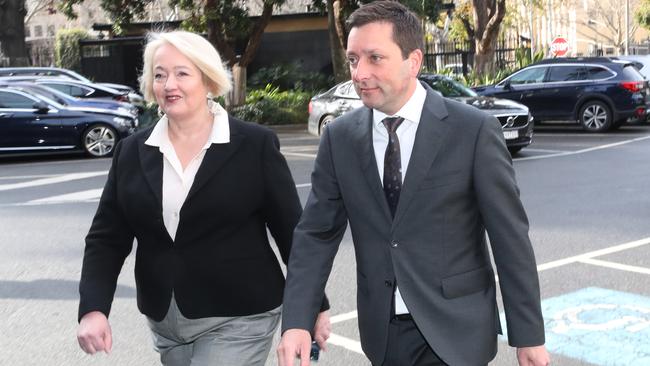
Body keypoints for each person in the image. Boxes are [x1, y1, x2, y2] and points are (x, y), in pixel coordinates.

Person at [277, 2, 550, 366]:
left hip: (457, 330)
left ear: (414, 61)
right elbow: (316, 234)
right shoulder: (339, 138)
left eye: (375, 58)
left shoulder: (472, 130)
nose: (360, 73)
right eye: (354, 59)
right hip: (384, 333)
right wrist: (296, 320)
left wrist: (528, 335)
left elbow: (509, 237)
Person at [76, 30, 330, 366]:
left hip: (240, 314)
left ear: (208, 80)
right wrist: (94, 308)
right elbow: (106, 238)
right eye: (160, 75)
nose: (169, 85)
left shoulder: (254, 145)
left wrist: (314, 305)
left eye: (182, 73)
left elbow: (292, 233)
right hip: (167, 319)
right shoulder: (131, 152)